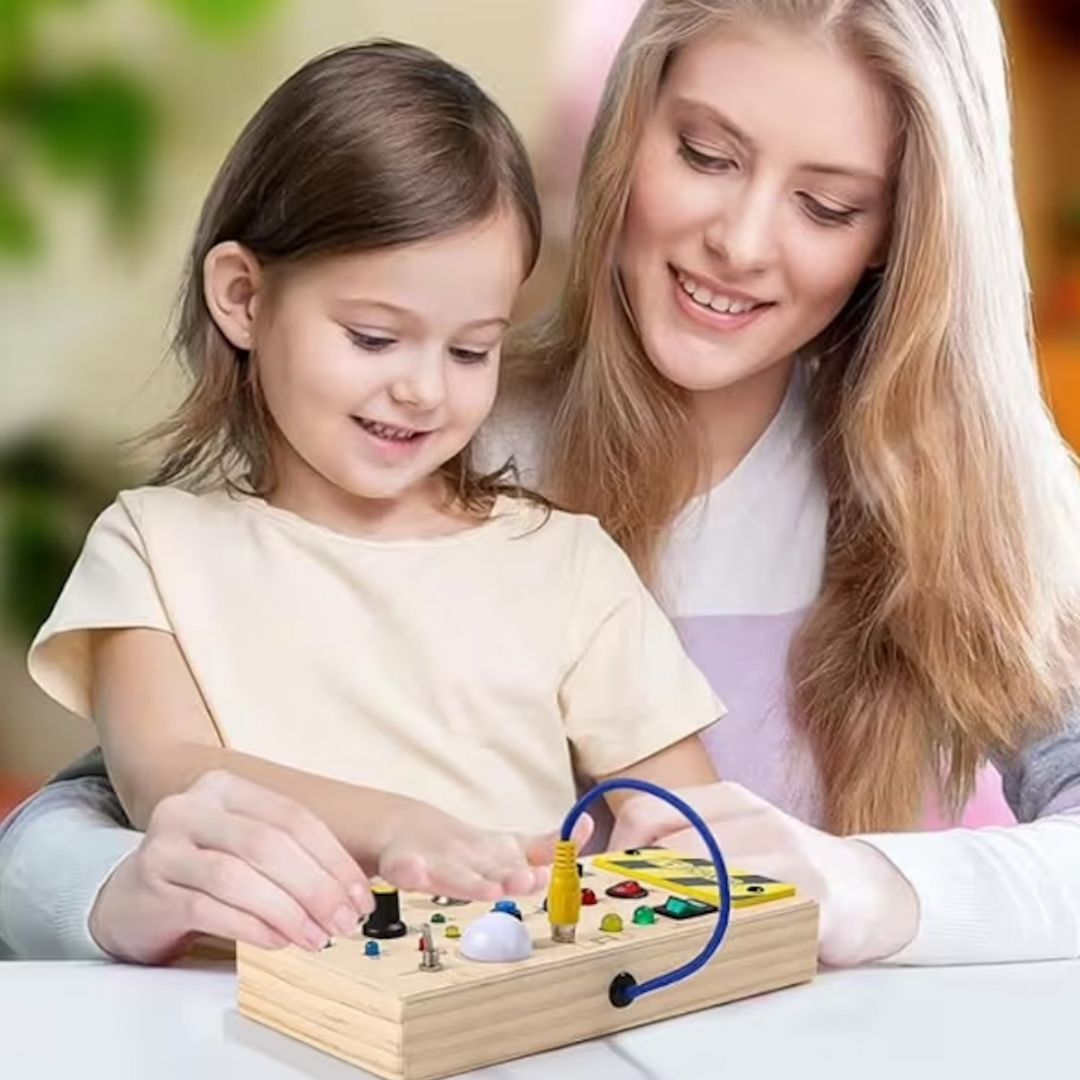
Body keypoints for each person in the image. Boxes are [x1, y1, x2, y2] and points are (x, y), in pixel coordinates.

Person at [4, 0, 1080, 969]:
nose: (742, 243)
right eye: (705, 154)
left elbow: (687, 831)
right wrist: (109, 891)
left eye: (830, 205)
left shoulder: (977, 503)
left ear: (904, 234)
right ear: (624, 133)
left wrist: (868, 890)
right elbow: (113, 807)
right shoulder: (431, 443)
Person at [0, 39, 720, 963]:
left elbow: (692, 831)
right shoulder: (152, 548)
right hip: (225, 1026)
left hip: (498, 1028)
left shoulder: (568, 564)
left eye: (471, 351)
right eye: (377, 337)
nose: (425, 389)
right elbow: (164, 776)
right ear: (243, 298)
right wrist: (400, 826)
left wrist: (649, 877)